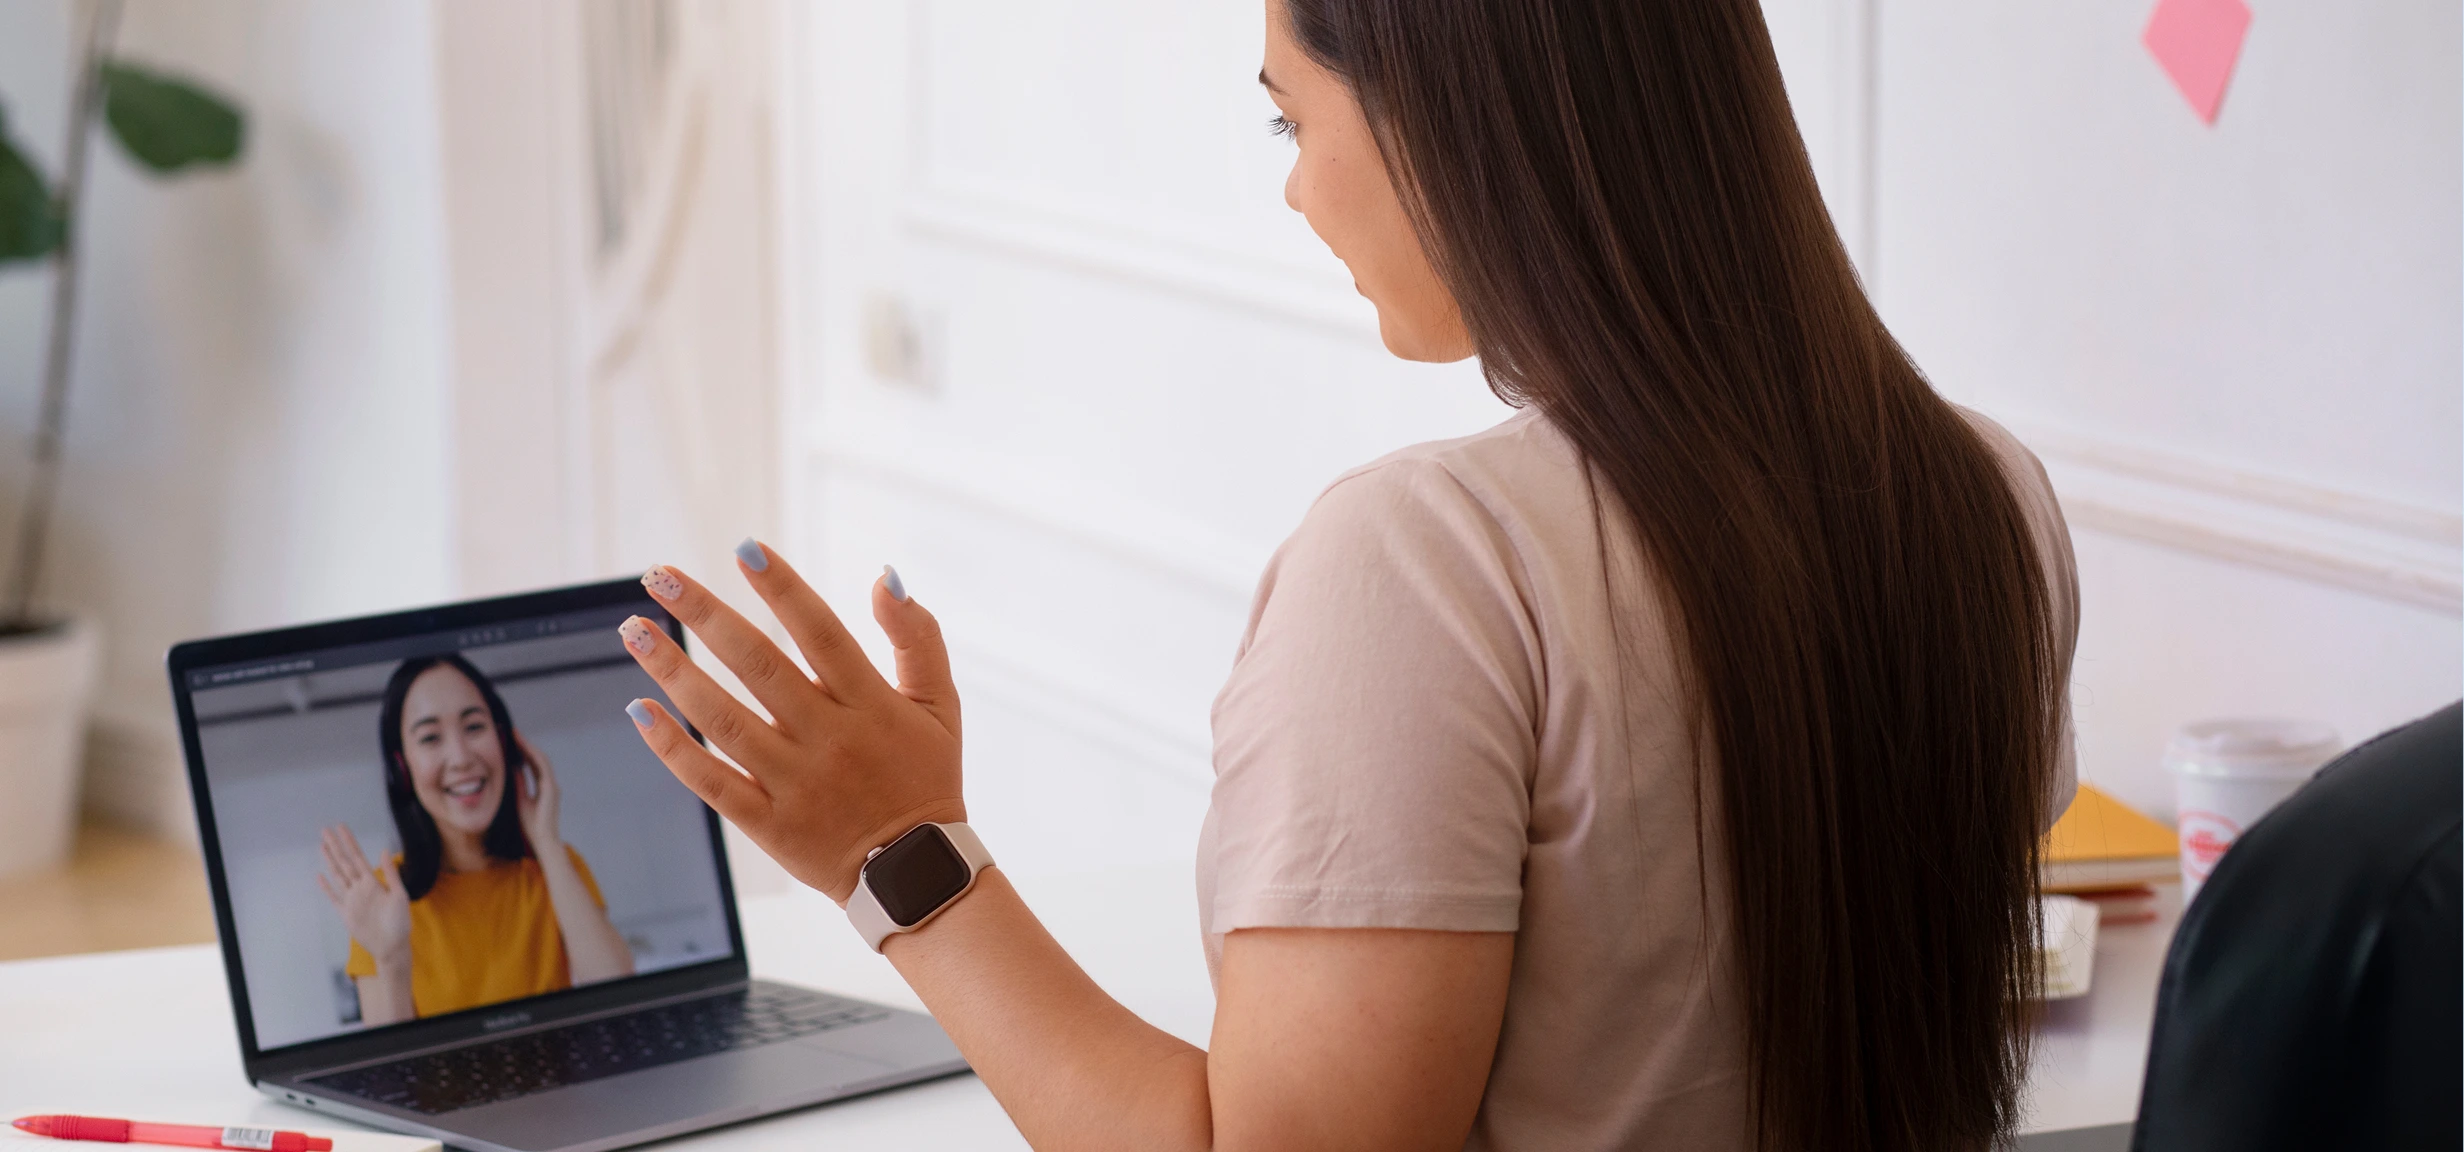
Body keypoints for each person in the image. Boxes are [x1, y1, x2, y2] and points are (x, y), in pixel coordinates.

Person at [616, 0, 2078, 1148]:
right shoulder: (1989, 500)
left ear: (1451, 120)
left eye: (1291, 122)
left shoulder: (1434, 564)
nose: (1302, 192)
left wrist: (902, 854)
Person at [316, 654, 635, 1027]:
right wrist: (391, 961)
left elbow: (620, 1003)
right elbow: (393, 1075)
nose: (461, 757)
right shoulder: (382, 897)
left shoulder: (554, 865)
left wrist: (545, 840)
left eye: (474, 727)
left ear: (504, 742)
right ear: (403, 767)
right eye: (431, 737)